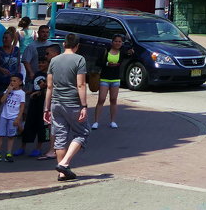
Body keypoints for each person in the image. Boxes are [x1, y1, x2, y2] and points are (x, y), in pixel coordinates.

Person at [45, 33, 88, 180]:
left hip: (56, 103)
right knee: (82, 133)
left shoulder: (54, 61)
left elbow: (49, 86)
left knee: (60, 137)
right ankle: (64, 164)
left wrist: (46, 108)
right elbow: (81, 84)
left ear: (64, 44)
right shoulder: (80, 60)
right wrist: (84, 106)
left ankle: (62, 173)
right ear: (77, 46)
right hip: (73, 103)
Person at [0, 28, 23, 139]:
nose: (4, 40)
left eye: (6, 38)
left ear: (11, 39)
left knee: (15, 105)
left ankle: (17, 128)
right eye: (3, 38)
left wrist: (18, 78)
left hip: (12, 81)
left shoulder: (16, 50)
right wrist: (1, 69)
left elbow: (18, 64)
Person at [0, 74, 26, 162]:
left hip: (13, 116)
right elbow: (1, 101)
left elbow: (22, 107)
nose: (12, 82)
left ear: (20, 82)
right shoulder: (8, 90)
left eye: (14, 81)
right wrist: (8, 91)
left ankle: (8, 153)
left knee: (11, 136)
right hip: (4, 115)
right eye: (11, 80)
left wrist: (18, 118)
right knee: (0, 135)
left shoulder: (21, 93)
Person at [92, 34, 127, 129]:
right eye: (116, 41)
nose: (118, 43)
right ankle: (96, 122)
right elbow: (98, 62)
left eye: (120, 41)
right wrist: (107, 64)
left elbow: (131, 52)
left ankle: (113, 121)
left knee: (113, 100)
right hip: (104, 78)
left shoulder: (122, 51)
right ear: (112, 42)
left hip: (115, 79)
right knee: (101, 99)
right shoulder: (106, 50)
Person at [18, 75, 50, 159]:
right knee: (28, 124)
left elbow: (50, 89)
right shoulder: (36, 73)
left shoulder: (50, 74)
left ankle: (38, 148)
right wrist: (31, 92)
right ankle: (22, 147)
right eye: (39, 62)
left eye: (43, 62)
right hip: (33, 103)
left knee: (43, 126)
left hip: (44, 105)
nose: (40, 64)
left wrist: (42, 89)